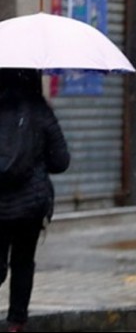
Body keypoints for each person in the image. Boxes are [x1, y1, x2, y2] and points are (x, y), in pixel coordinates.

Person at [0, 69, 71, 332]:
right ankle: (16, 322)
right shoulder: (40, 110)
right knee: (23, 262)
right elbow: (61, 162)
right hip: (30, 205)